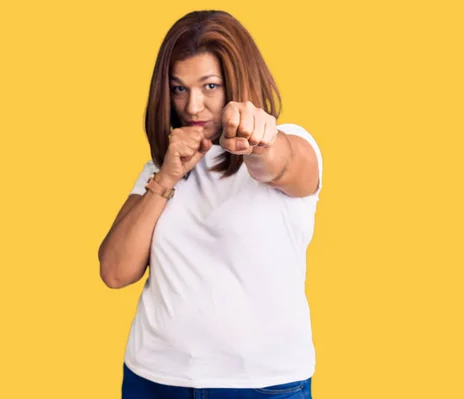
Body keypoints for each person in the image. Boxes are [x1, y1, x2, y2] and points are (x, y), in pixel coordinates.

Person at [98, 9, 323, 399]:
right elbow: (115, 271)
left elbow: (282, 163)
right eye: (179, 88)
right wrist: (167, 178)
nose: (193, 107)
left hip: (261, 385)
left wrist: (258, 142)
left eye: (210, 86)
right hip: (154, 380)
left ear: (237, 82)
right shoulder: (159, 167)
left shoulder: (288, 140)